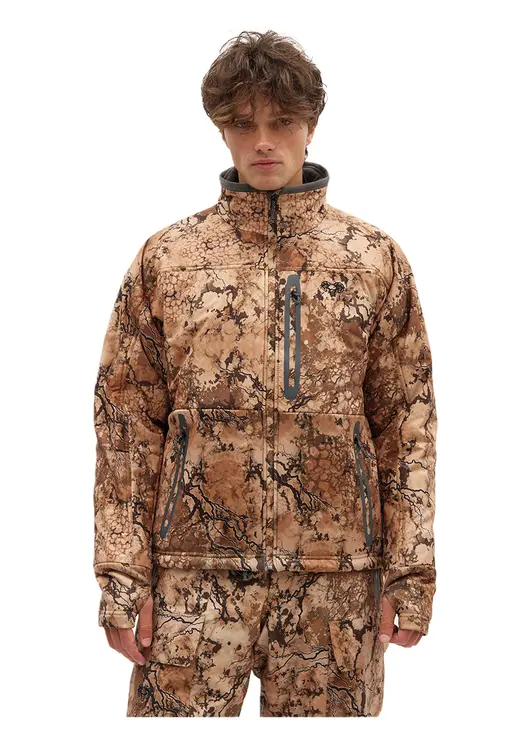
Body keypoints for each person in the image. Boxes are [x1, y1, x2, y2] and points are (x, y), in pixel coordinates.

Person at [92, 29, 438, 717]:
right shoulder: (169, 259)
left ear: (311, 125)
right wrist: (122, 578)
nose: (263, 142)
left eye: (281, 122)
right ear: (221, 129)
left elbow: (408, 424)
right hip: (192, 577)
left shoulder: (371, 259)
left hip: (337, 582)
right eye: (243, 124)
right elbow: (126, 426)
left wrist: (411, 571)